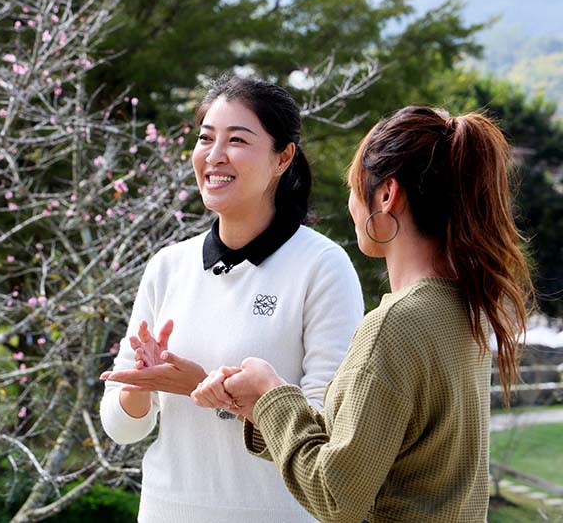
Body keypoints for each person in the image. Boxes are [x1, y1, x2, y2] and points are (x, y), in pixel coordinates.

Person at [192, 106, 534, 522]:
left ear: (386, 195)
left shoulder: (395, 325)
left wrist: (271, 394)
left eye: (356, 188)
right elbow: (368, 450)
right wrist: (262, 405)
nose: (353, 204)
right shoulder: (464, 308)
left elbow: (336, 496)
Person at [99, 76, 364, 522]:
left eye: (237, 140)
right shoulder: (168, 266)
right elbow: (122, 428)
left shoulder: (322, 266)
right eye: (206, 139)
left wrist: (206, 390)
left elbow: (327, 430)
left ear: (282, 158)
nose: (214, 155)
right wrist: (138, 384)